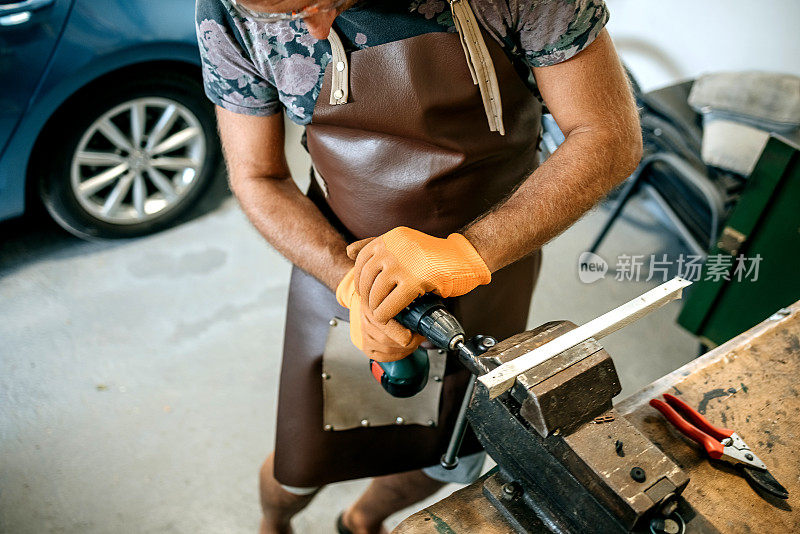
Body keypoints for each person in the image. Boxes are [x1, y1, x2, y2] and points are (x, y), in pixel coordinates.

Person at [195, 0, 642, 532]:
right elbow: (259, 178)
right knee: (303, 457)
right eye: (280, 15)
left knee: (446, 455)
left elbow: (607, 135)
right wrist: (356, 286)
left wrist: (466, 252)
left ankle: (362, 521)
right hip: (340, 268)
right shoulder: (225, 10)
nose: (311, 29)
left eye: (320, 1)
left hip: (489, 268)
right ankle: (274, 525)